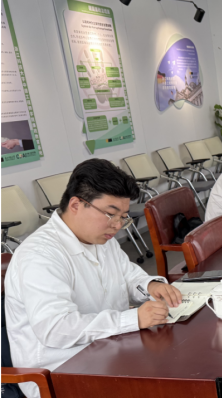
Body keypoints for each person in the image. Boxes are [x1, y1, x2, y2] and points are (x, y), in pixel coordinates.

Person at [4, 159, 182, 398]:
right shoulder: (40, 255)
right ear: (76, 204)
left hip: (108, 349)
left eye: (123, 216)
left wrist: (149, 285)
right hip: (61, 372)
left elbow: (127, 274)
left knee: (177, 363)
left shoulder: (99, 238)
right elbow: (56, 329)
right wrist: (132, 319)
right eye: (110, 214)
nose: (117, 225)